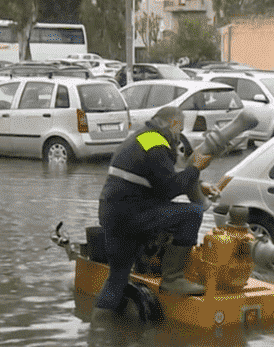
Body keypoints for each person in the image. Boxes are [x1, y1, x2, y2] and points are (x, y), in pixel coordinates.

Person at [93, 106, 218, 320]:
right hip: (132, 214)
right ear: (172, 123)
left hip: (114, 214)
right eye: (179, 129)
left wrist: (199, 183)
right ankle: (173, 278)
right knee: (192, 212)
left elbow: (158, 178)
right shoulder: (157, 141)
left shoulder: (142, 137)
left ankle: (99, 328)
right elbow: (168, 188)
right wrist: (195, 168)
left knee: (117, 277)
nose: (179, 136)